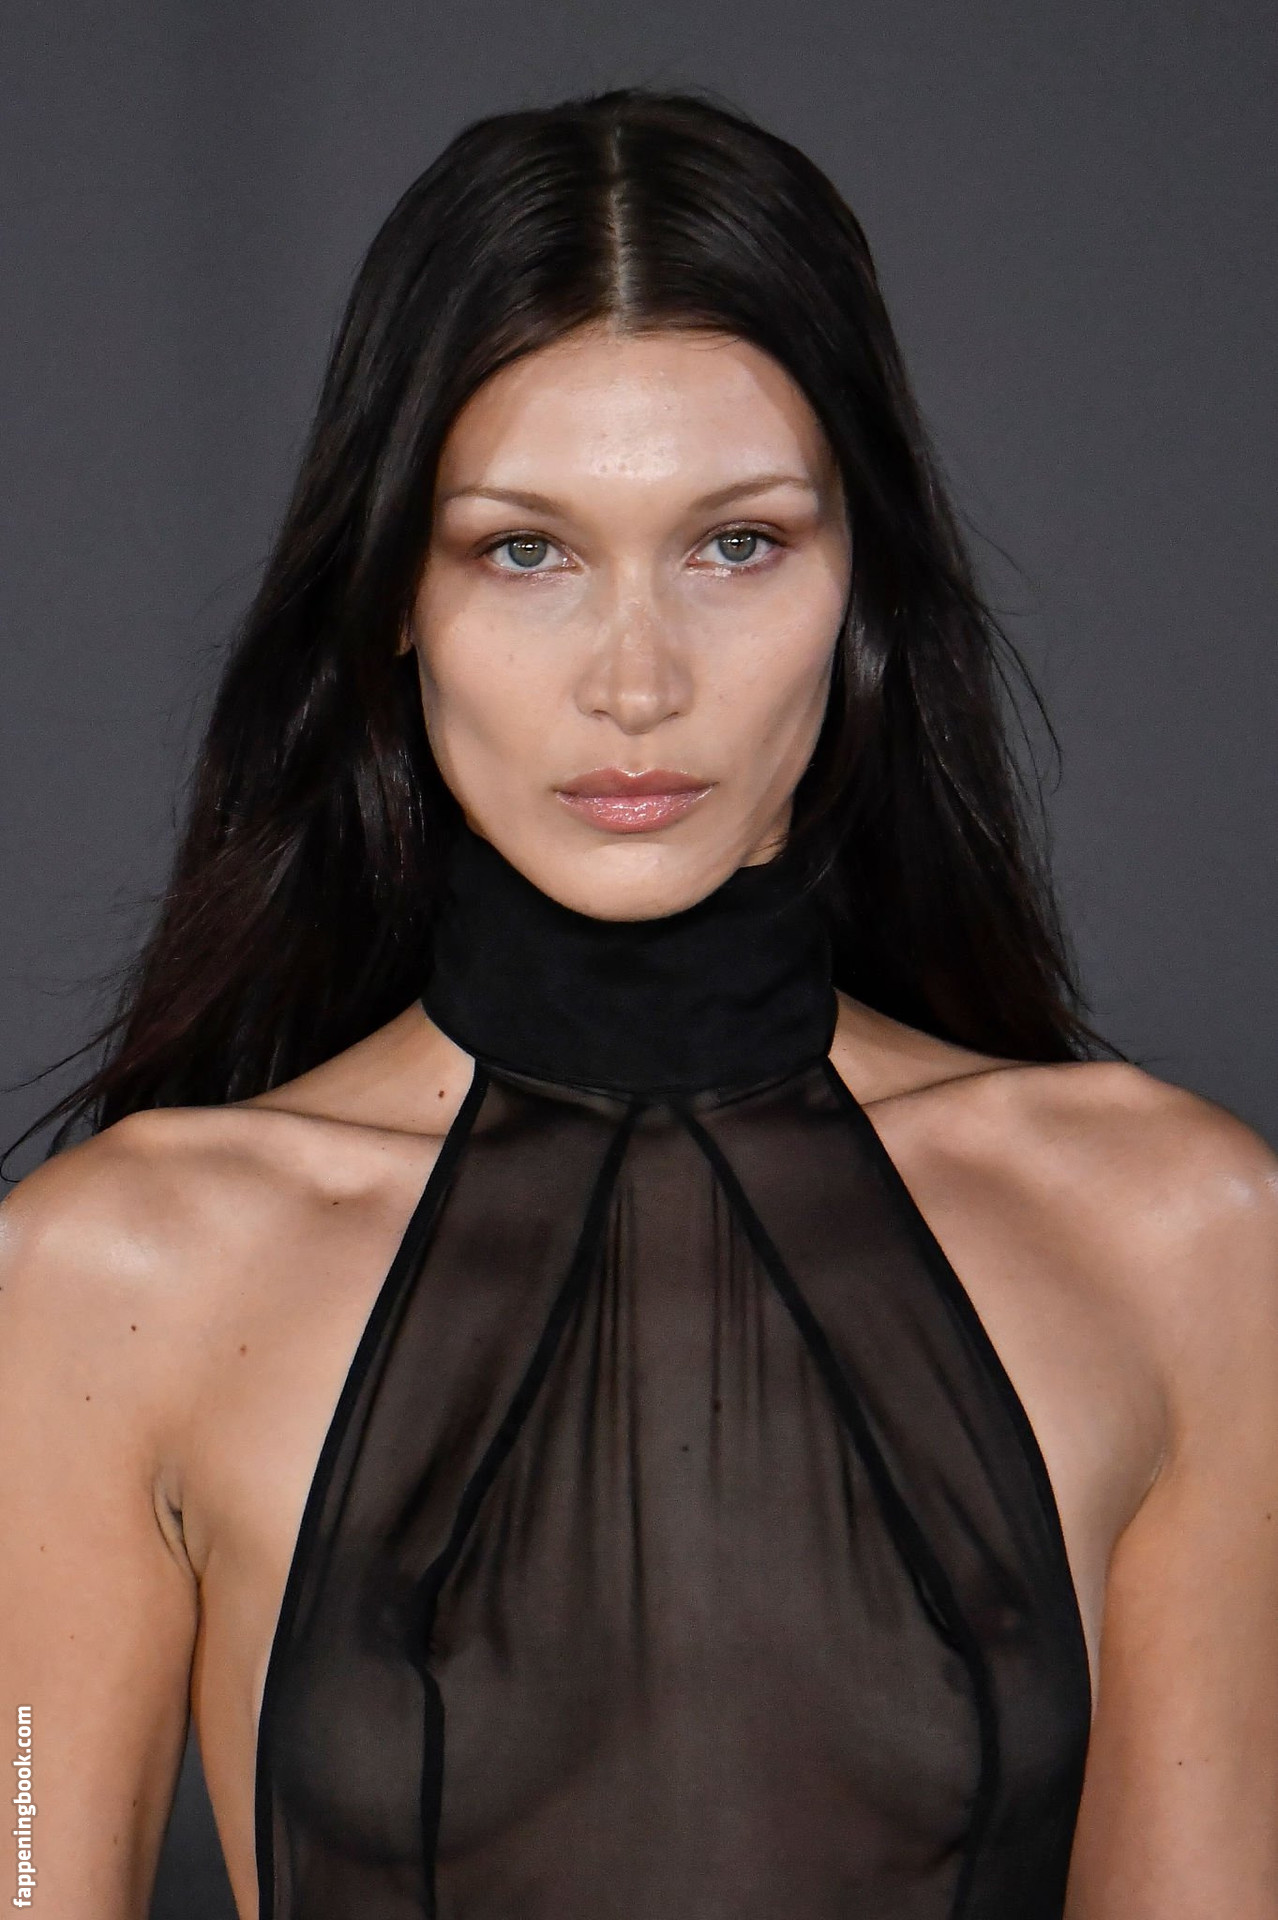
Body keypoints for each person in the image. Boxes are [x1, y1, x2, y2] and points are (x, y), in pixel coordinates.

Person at [2, 85, 1276, 1920]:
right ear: (393, 597)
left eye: (735, 544)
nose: (636, 681)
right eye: (523, 550)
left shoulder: (1174, 1235)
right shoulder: (113, 1274)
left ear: (861, 585)